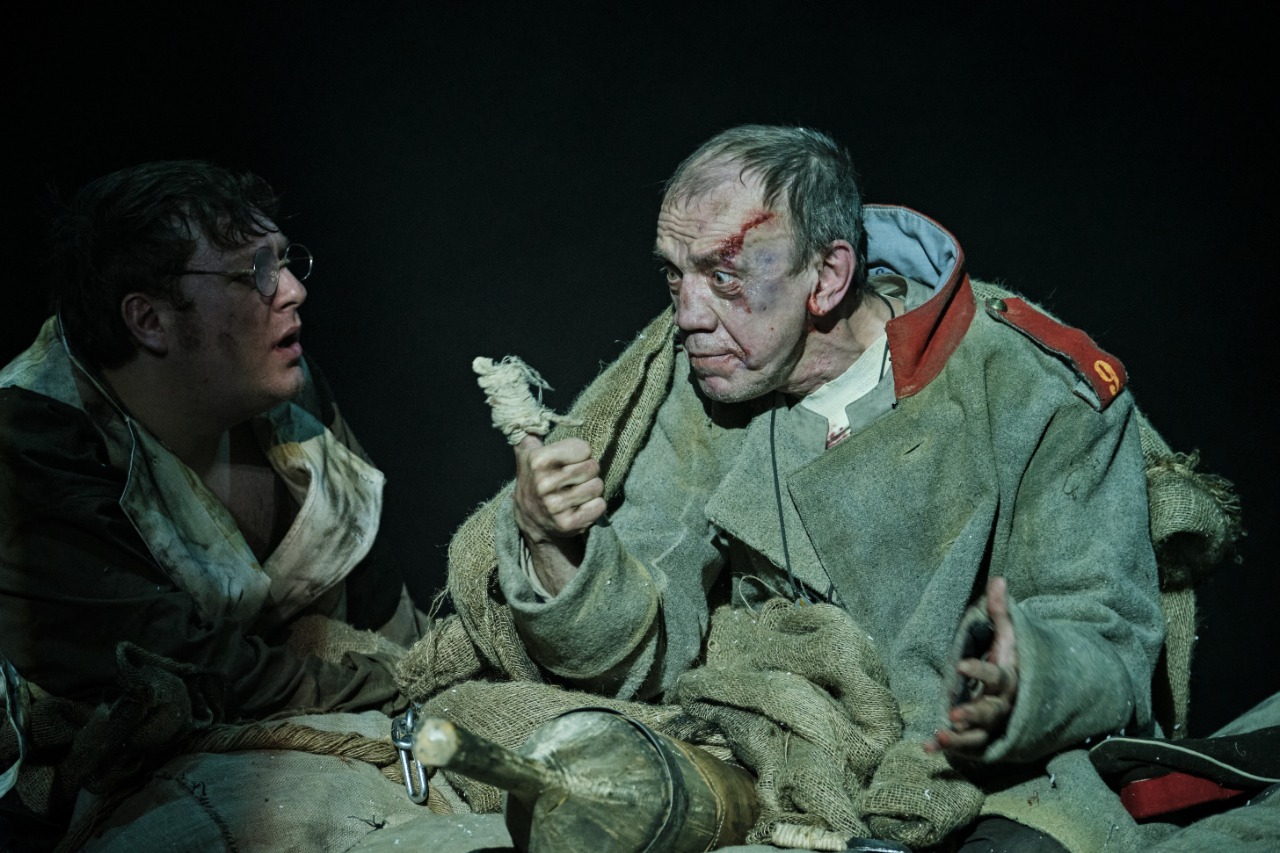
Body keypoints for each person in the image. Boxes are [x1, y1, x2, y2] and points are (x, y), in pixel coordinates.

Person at [404, 124, 1205, 852]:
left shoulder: (1029, 384)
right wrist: (551, 540)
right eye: (674, 276)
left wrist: (1027, 682)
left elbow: (1110, 634)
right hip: (784, 763)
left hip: (993, 778)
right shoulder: (701, 390)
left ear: (827, 276)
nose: (686, 315)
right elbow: (646, 646)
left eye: (723, 275)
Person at [0, 161, 428, 850]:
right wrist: (397, 687)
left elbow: (377, 602)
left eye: (285, 261)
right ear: (149, 320)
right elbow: (170, 664)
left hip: (320, 731)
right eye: (254, 271)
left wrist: (430, 678)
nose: (293, 290)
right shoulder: (28, 442)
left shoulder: (279, 387)